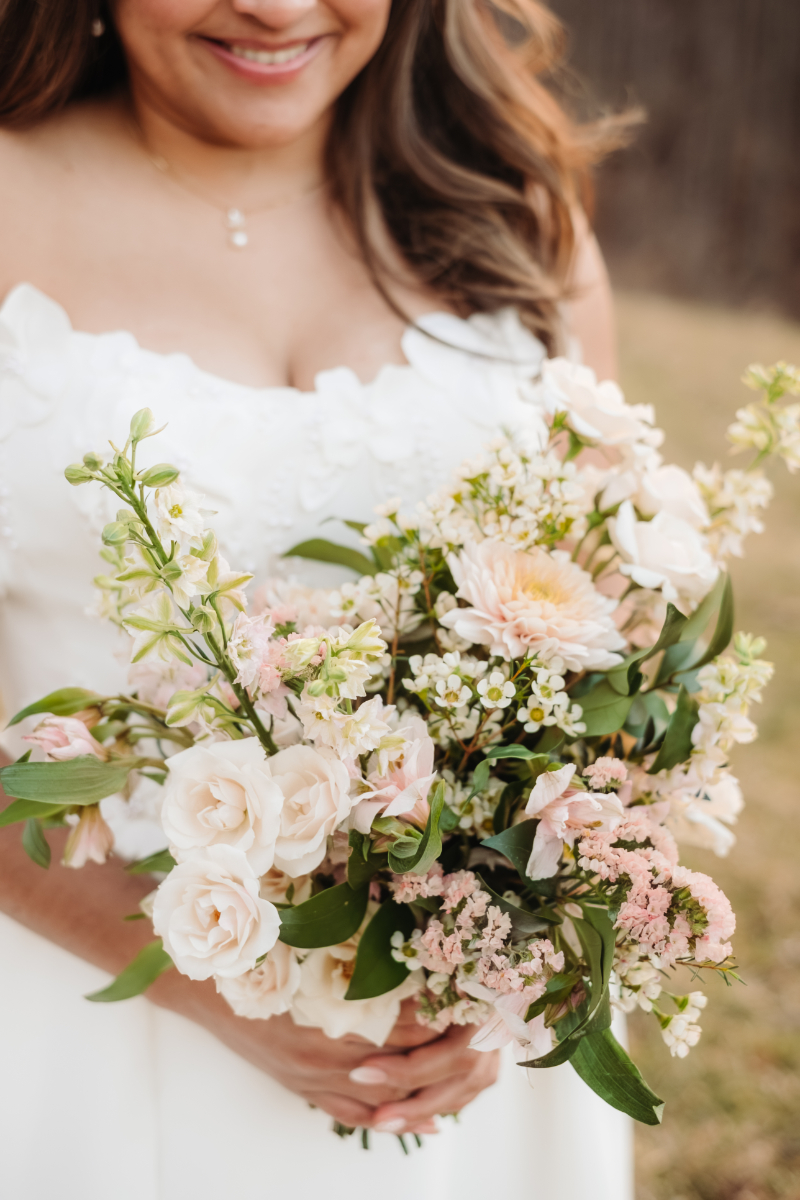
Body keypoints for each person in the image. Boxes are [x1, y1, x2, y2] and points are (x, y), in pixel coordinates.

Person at [0, 2, 631, 1196]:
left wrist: (521, 950)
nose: (277, 8)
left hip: (466, 1066)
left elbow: (618, 633)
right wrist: (211, 974)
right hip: (79, 1016)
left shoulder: (517, 219)